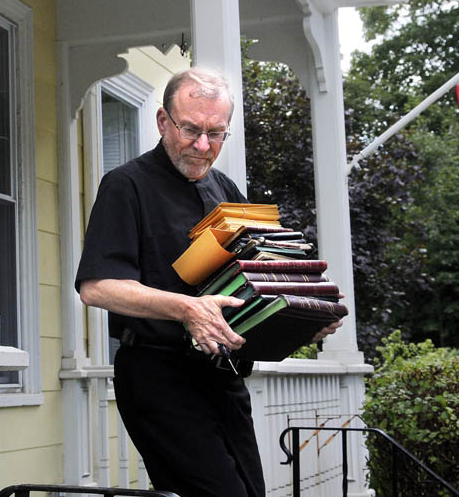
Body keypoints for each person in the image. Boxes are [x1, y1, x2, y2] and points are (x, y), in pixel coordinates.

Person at [76, 67, 340, 497]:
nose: (203, 146)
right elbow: (97, 287)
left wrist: (301, 317)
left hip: (223, 374)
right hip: (157, 374)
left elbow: (250, 283)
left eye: (216, 133)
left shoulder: (227, 189)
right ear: (164, 121)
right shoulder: (126, 185)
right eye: (191, 130)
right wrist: (187, 308)